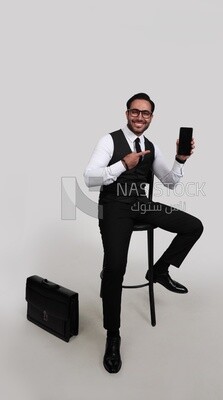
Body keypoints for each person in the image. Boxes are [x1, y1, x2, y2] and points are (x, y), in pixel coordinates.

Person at [83, 93, 203, 373]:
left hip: (141, 204)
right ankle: (113, 335)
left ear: (151, 117)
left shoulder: (151, 146)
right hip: (114, 206)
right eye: (135, 112)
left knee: (193, 226)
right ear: (127, 114)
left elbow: (170, 182)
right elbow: (89, 177)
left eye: (145, 113)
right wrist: (123, 164)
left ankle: (159, 271)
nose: (140, 117)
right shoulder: (109, 140)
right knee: (115, 268)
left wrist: (180, 159)